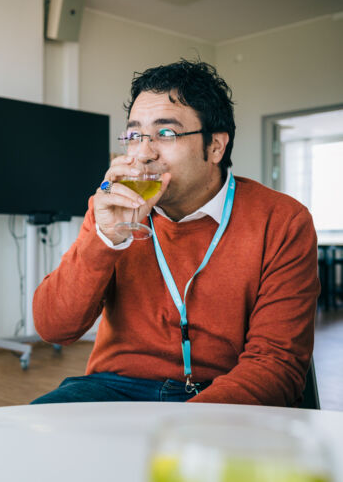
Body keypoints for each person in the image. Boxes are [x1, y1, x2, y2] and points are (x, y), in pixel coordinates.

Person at [31, 59, 319, 406]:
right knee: (29, 439)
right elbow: (54, 329)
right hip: (115, 388)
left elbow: (276, 365)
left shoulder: (282, 220)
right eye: (135, 135)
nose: (144, 153)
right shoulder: (111, 209)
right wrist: (105, 239)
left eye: (165, 133)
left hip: (224, 393)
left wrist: (183, 428)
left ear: (215, 146)